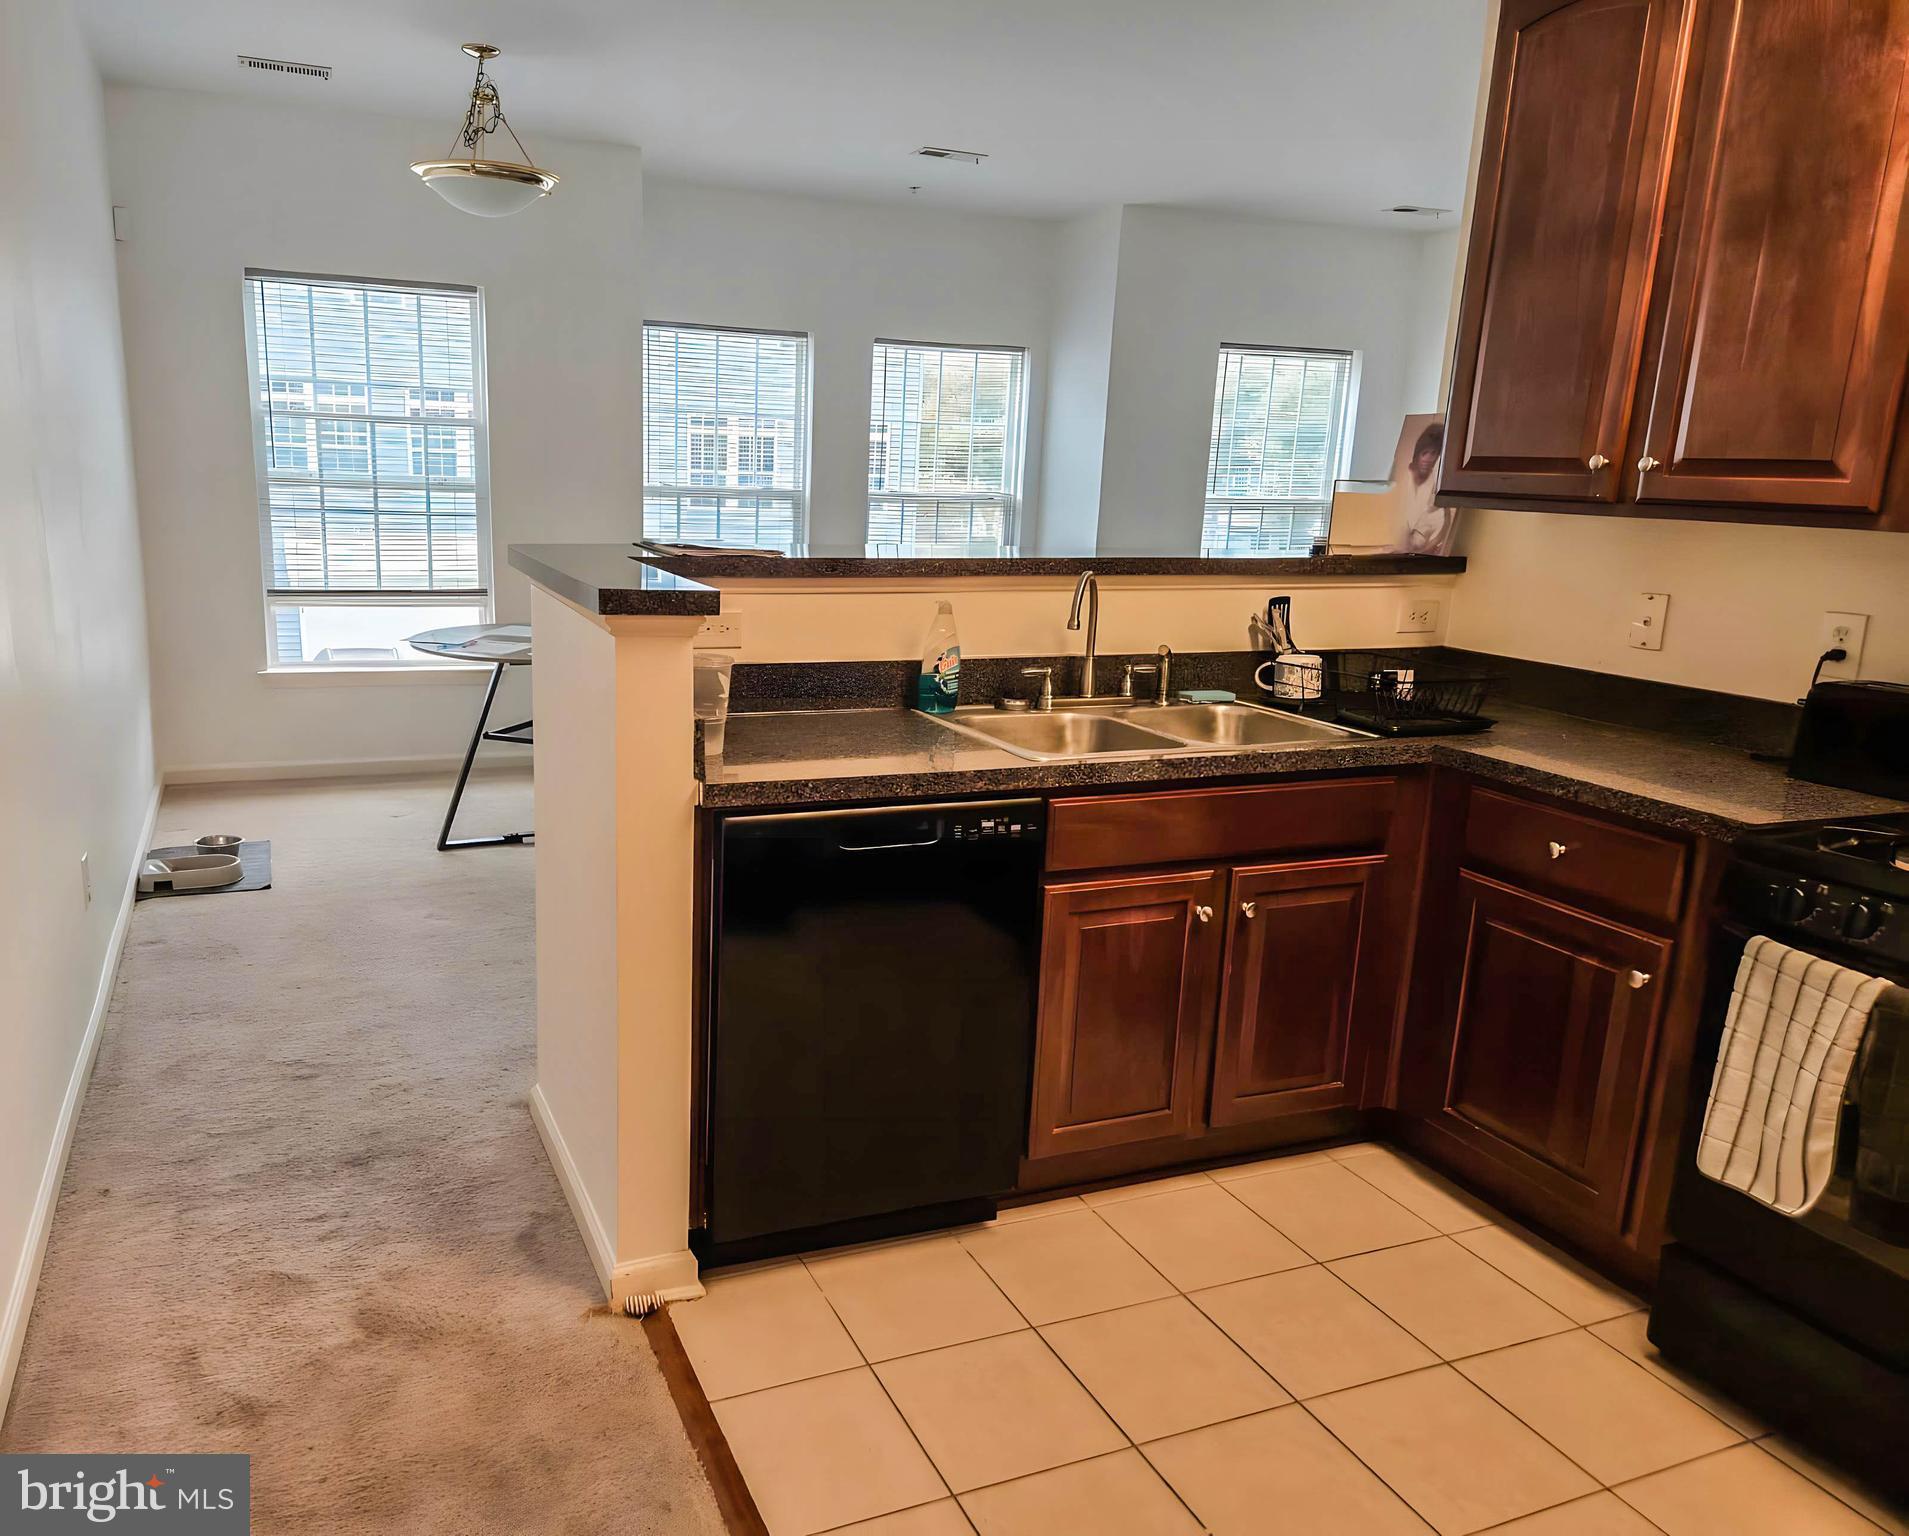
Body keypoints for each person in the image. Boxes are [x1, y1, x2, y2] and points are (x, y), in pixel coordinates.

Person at [1393, 420, 1454, 555]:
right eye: (1424, 453)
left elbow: (1441, 523)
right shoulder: (1402, 477)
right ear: (1418, 453)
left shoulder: (1436, 485)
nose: (1427, 459)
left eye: (1433, 454)